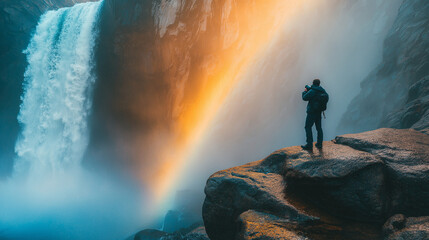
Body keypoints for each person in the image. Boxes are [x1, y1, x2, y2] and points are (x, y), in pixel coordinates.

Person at [301, 79, 328, 150]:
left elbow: (304, 98)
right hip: (319, 112)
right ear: (319, 84)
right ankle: (319, 144)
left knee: (308, 127)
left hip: (311, 113)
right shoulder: (322, 91)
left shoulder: (312, 91)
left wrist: (304, 91)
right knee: (319, 128)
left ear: (313, 83)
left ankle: (309, 145)